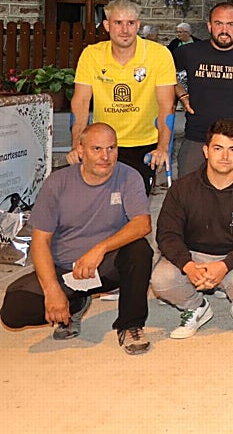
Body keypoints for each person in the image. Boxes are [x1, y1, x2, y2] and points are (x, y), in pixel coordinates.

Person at [0, 123, 153, 355]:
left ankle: (130, 324)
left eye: (111, 148)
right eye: (97, 149)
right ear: (80, 151)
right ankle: (75, 304)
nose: (105, 156)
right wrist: (52, 289)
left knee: (140, 250)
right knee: (13, 311)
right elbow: (40, 242)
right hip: (65, 270)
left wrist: (100, 249)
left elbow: (142, 224)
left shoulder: (128, 176)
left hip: (105, 267)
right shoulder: (57, 183)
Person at [151, 118, 233, 339]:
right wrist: (187, 265)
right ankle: (196, 306)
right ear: (206, 151)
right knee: (161, 281)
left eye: (232, 149)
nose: (225, 156)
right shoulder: (182, 188)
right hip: (194, 255)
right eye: (218, 148)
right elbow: (167, 234)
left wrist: (224, 266)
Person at [70, 0, 176, 194]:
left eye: (131, 23)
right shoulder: (91, 55)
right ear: (107, 25)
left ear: (138, 25)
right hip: (102, 144)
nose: (125, 30)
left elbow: (166, 106)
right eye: (118, 23)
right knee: (98, 203)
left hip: (143, 144)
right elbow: (81, 103)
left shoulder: (159, 55)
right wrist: (78, 144)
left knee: (134, 207)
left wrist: (162, 147)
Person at [174, 2, 233, 178]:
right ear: (209, 26)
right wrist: (181, 94)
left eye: (230, 24)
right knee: (187, 194)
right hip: (197, 135)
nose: (224, 30)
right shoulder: (189, 52)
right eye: (218, 23)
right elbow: (164, 73)